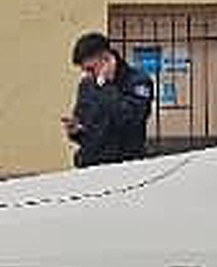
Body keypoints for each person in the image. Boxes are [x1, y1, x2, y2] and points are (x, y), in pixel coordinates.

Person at [62, 32, 154, 167]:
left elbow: (131, 120)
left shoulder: (138, 82)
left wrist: (105, 86)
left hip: (124, 167)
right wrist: (76, 131)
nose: (88, 74)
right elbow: (86, 128)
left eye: (90, 69)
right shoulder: (87, 85)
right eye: (84, 70)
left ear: (105, 59)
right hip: (91, 165)